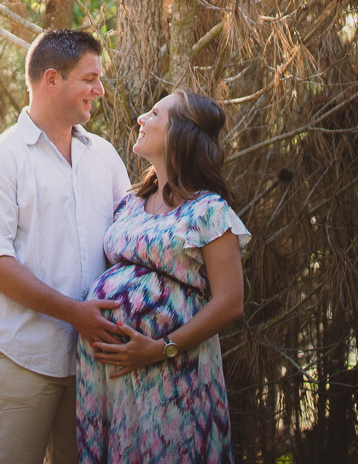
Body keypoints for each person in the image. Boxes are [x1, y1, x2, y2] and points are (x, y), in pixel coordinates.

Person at [0, 28, 132, 464]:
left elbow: (131, 237)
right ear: (52, 79)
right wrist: (74, 313)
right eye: (90, 79)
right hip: (18, 354)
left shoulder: (104, 156)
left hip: (90, 359)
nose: (99, 90)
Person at [75, 90, 249, 464]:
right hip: (111, 380)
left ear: (180, 134)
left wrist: (160, 348)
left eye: (155, 113)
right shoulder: (131, 203)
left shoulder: (209, 210)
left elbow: (230, 302)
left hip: (176, 376)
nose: (141, 118)